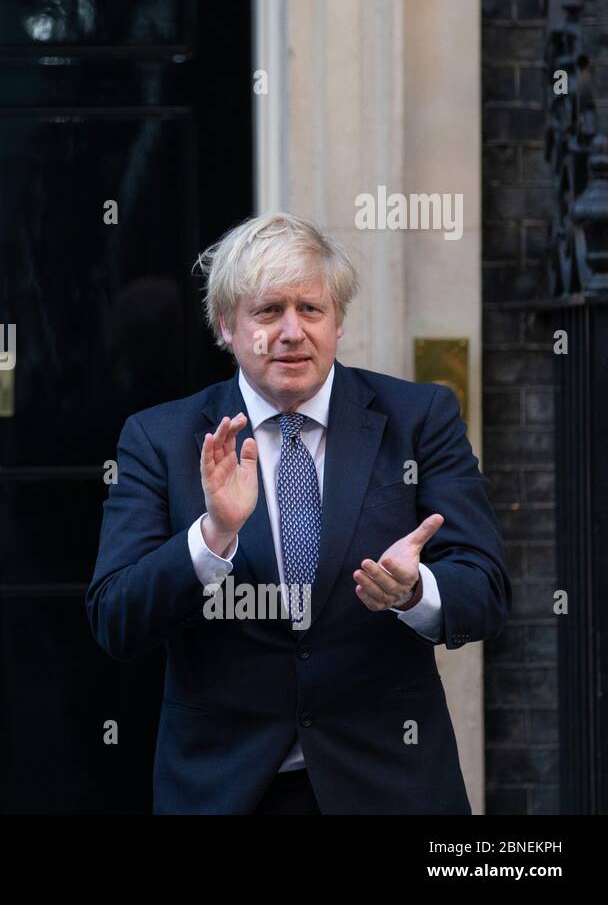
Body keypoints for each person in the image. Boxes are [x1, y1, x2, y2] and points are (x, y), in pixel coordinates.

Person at [86, 212, 510, 814]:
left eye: (311, 310)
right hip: (225, 788)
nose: (292, 332)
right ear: (226, 326)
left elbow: (487, 593)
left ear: (338, 323)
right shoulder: (160, 438)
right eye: (268, 312)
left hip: (390, 784)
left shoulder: (420, 419)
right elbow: (116, 620)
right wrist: (213, 537)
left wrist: (418, 592)